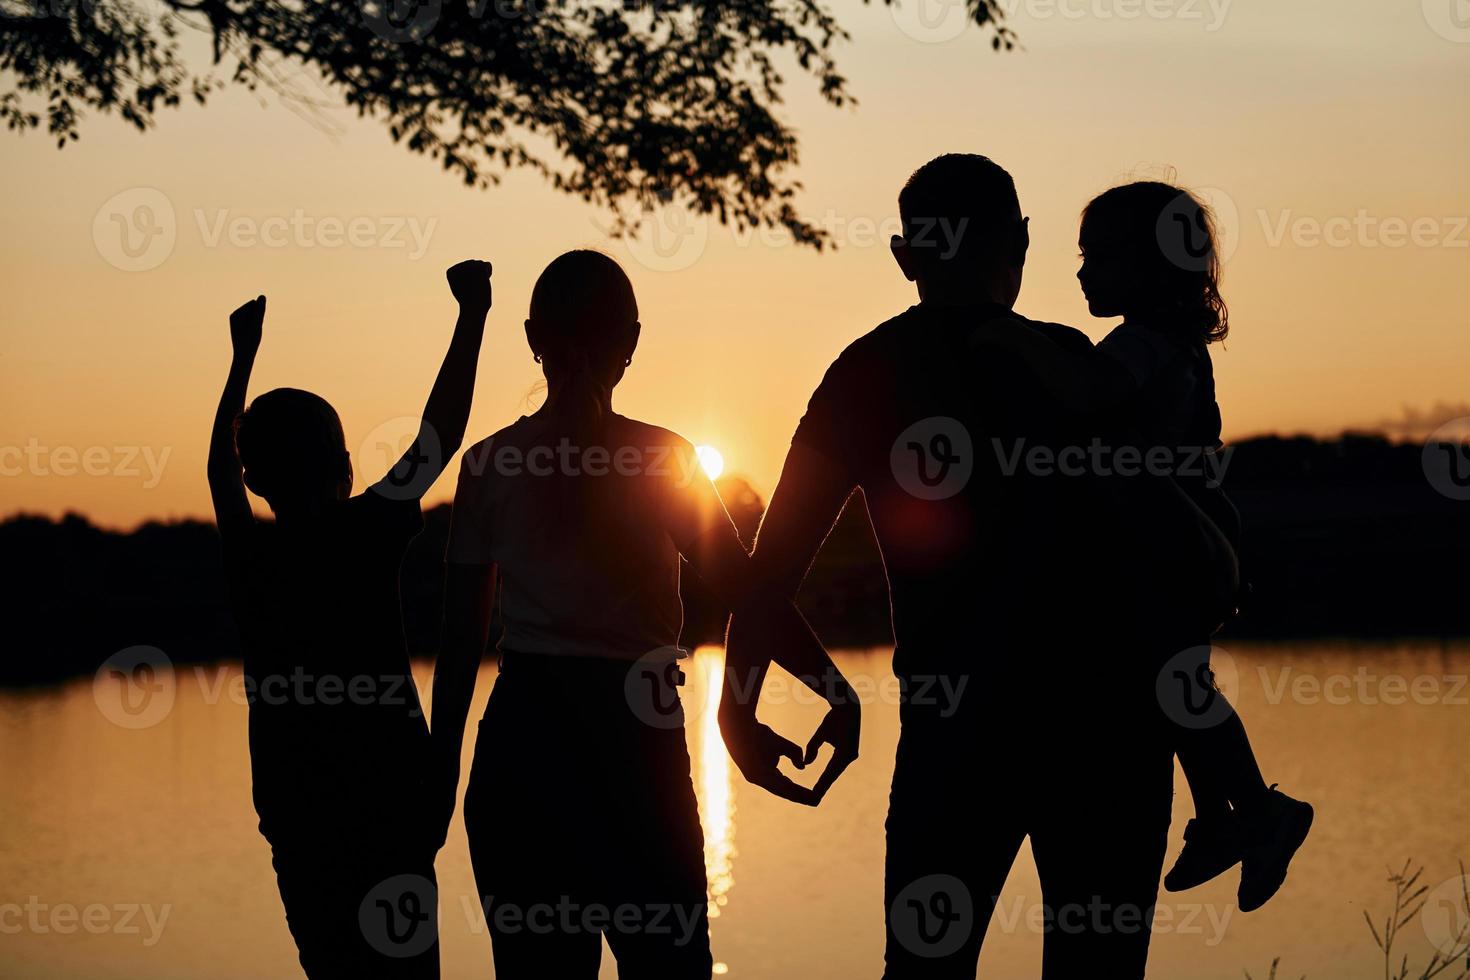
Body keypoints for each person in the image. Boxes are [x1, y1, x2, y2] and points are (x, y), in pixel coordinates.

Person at [722, 154, 1238, 978]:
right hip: (1106, 733)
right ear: (1023, 241)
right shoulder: (1080, 366)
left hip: (956, 739)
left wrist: (738, 698)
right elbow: (1175, 537)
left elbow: (768, 570)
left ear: (905, 257)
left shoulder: (866, 374)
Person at [427, 249, 858, 980]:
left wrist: (439, 768)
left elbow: (460, 639)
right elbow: (748, 593)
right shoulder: (664, 459)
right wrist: (833, 688)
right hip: (634, 742)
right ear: (631, 340)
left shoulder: (489, 465)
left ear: (533, 336)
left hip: (521, 746)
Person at [969, 180, 1314, 912]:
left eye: (1096, 256)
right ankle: (1220, 818)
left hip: (1162, 548)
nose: (1082, 272)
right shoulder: (1175, 345)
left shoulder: (1143, 344)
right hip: (1173, 545)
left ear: (1148, 263)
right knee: (1174, 689)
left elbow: (1090, 391)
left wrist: (1009, 333)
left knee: (1182, 689)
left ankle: (1259, 810)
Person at [206, 260, 493, 978]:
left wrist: (240, 361)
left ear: (257, 480)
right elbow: (440, 435)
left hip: (299, 822)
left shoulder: (251, 560)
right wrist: (472, 314)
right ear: (342, 464)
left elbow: (218, 469)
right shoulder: (368, 531)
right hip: (394, 814)